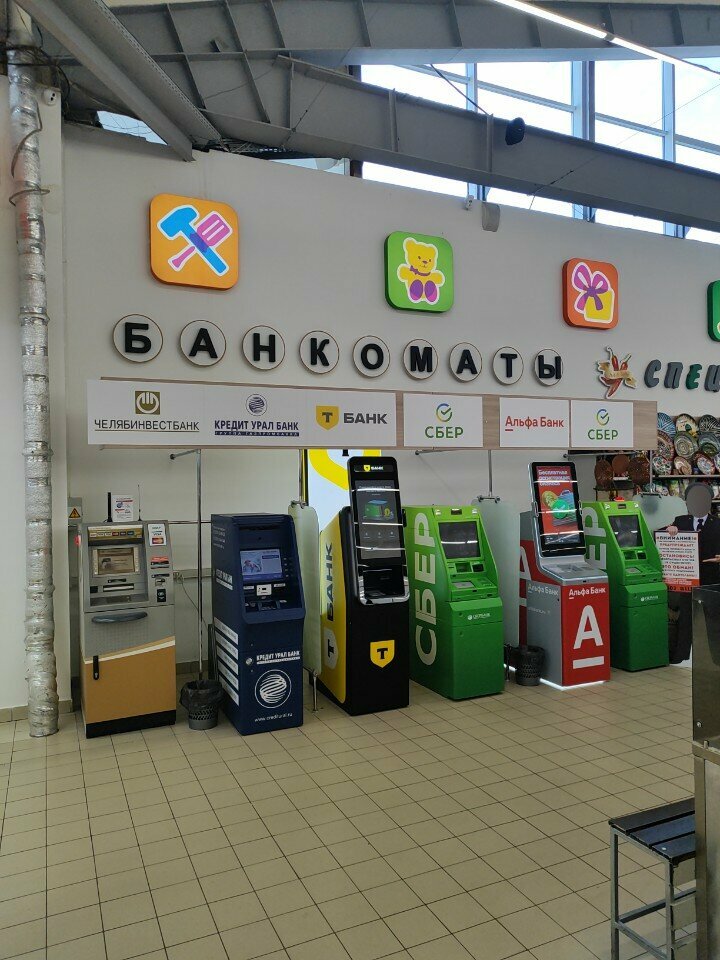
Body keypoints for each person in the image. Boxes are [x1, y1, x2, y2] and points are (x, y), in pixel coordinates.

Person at [663, 483, 720, 663]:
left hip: (711, 579)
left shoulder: (718, 523)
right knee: (685, 619)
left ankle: (716, 658)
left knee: (713, 620)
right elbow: (663, 537)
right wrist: (669, 530)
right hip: (686, 580)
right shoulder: (680, 521)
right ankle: (680, 656)